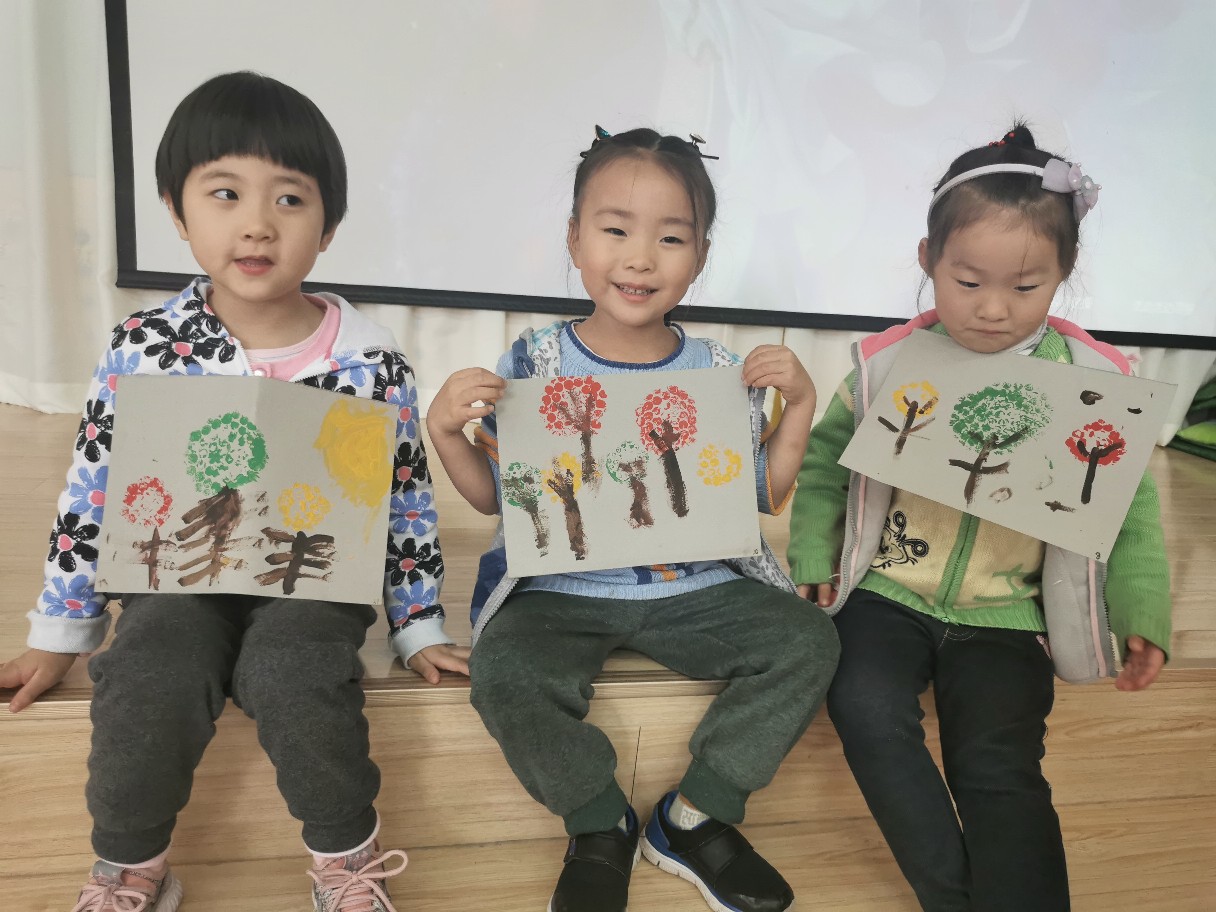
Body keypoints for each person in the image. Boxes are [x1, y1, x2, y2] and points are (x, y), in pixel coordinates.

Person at [0, 72, 468, 912]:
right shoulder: (142, 347)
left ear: (328, 226)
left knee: (295, 667)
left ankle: (347, 861)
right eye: (225, 193)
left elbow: (404, 503)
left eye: (290, 199)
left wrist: (418, 623)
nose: (257, 223)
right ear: (177, 212)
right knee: (147, 665)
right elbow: (92, 491)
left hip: (311, 584)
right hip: (172, 579)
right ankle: (128, 870)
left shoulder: (370, 360)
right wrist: (61, 630)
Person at [427, 125, 839, 912]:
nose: (641, 258)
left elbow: (761, 491)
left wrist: (800, 408)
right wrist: (445, 431)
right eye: (615, 230)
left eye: (671, 237)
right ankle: (597, 819)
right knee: (504, 670)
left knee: (809, 640)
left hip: (696, 586)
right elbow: (493, 497)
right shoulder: (535, 362)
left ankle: (695, 815)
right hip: (559, 590)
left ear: (701, 255)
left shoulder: (719, 370)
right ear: (574, 239)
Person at [787, 124, 1170, 912]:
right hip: (888, 593)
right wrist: (814, 555)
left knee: (998, 766)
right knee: (863, 706)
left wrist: (1142, 612)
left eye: (1026, 287)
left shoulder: (1094, 381)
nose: (994, 309)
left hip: (1010, 615)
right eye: (967, 282)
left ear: (1064, 274)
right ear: (928, 261)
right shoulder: (888, 365)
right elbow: (827, 464)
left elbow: (1128, 512)